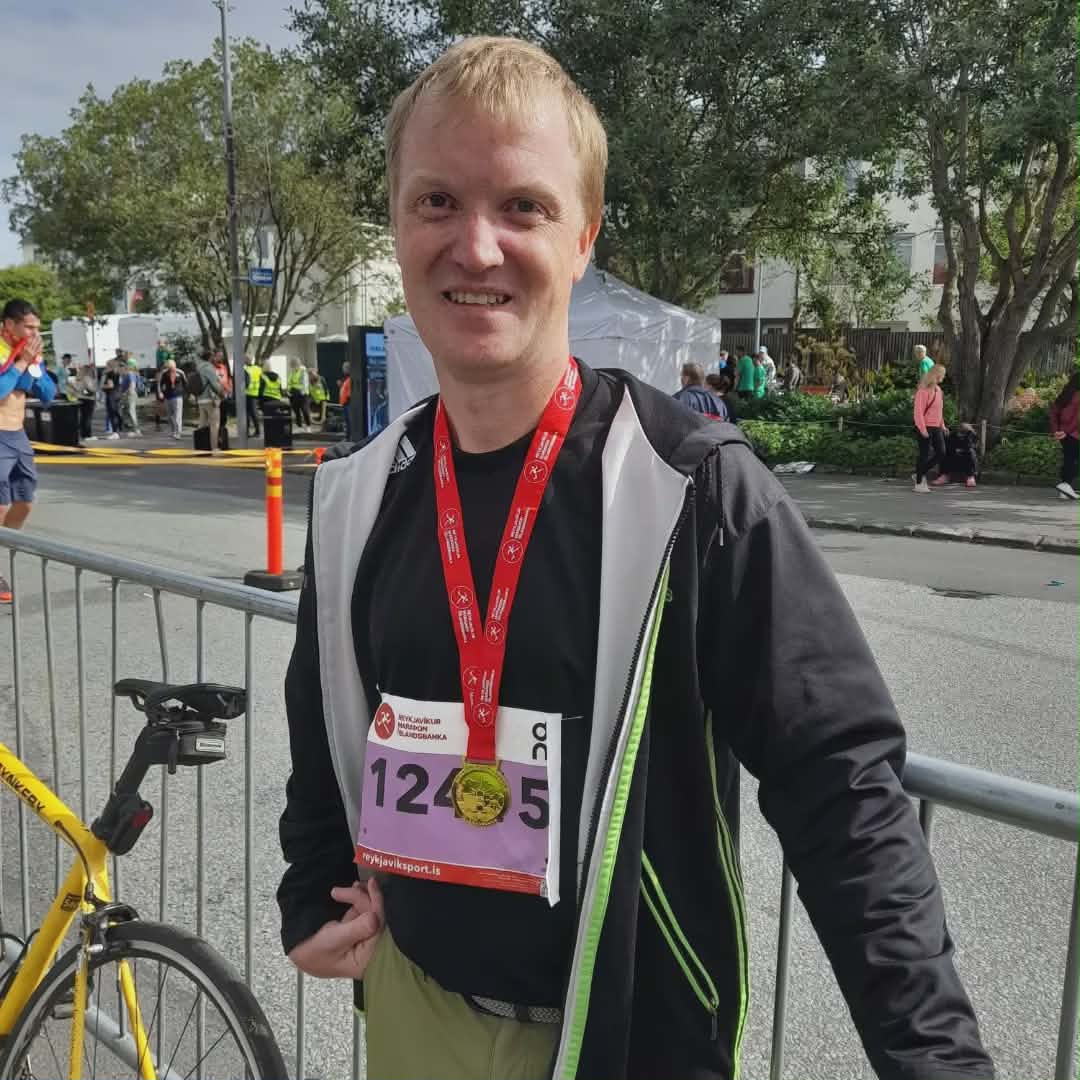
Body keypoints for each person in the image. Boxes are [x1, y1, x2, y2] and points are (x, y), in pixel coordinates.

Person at [276, 36, 992, 1080]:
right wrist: (310, 887)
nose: (476, 246)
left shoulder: (692, 488)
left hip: (629, 1037)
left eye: (523, 206)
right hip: (413, 1010)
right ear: (396, 220)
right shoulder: (357, 494)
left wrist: (937, 1063)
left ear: (583, 237)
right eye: (437, 201)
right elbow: (323, 712)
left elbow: (842, 788)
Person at [0, 299, 56, 603]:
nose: (36, 333)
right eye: (29, 327)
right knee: (0, 505)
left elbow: (48, 394)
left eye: (37, 327)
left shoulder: (31, 353)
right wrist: (20, 363)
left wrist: (35, 367)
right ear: (9, 325)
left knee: (24, 502)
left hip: (18, 436)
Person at [914, 363, 948, 492]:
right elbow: (918, 413)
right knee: (924, 455)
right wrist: (923, 430)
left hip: (936, 427)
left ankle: (919, 473)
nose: (944, 377)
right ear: (937, 375)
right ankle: (919, 484)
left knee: (941, 453)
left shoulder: (939, 390)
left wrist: (942, 425)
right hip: (925, 427)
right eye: (943, 374)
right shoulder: (922, 391)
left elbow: (939, 410)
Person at [1050, 370, 1080, 500]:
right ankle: (1066, 484)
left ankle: (1065, 489)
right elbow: (1077, 419)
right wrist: (1068, 432)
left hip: (1063, 434)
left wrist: (1057, 430)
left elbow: (1054, 412)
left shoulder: (1066, 394)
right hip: (1075, 434)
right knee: (1073, 461)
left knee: (1069, 459)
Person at [188, 353, 225, 452]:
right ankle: (214, 448)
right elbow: (215, 385)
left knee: (202, 424)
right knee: (214, 424)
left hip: (200, 399)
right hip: (210, 399)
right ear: (210, 358)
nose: (215, 358)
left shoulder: (199, 368)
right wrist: (223, 393)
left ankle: (201, 446)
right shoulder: (209, 368)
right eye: (213, 357)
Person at [942, 423, 979, 488]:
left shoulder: (972, 435)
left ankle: (970, 477)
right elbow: (949, 445)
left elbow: (972, 446)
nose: (960, 435)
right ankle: (945, 476)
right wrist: (955, 449)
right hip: (954, 454)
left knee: (971, 453)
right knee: (945, 453)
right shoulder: (953, 435)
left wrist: (963, 449)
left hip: (966, 455)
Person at [157, 358, 187, 439]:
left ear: (174, 366)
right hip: (168, 396)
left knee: (177, 416)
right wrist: (160, 392)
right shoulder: (165, 373)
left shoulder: (180, 372)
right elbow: (160, 384)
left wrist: (185, 393)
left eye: (171, 367)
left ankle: (178, 433)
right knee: (169, 416)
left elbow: (185, 383)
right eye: (169, 367)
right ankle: (173, 431)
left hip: (177, 396)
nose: (170, 368)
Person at [73, 363, 98, 441]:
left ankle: (82, 434)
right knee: (87, 418)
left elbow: (76, 389)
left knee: (83, 417)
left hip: (80, 398)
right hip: (88, 399)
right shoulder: (87, 378)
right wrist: (94, 388)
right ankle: (88, 435)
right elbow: (91, 389)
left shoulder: (78, 378)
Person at [100, 359, 123, 439]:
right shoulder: (118, 373)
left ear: (110, 365)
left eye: (107, 365)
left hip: (111, 395)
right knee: (116, 413)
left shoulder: (110, 374)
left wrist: (102, 386)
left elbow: (110, 385)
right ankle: (118, 429)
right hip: (117, 394)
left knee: (112, 414)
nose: (106, 366)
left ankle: (115, 432)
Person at [119, 358, 143, 437]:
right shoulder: (130, 373)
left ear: (130, 365)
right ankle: (130, 427)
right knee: (124, 410)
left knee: (131, 411)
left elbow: (132, 385)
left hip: (130, 394)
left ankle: (136, 430)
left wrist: (125, 393)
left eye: (127, 364)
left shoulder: (130, 374)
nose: (125, 366)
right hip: (129, 394)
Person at [288, 357, 312, 431]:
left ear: (298, 364)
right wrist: (289, 391)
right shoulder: (292, 372)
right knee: (296, 411)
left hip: (303, 394)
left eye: (293, 366)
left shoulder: (303, 371)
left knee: (305, 410)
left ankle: (308, 426)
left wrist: (301, 392)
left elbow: (305, 384)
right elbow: (289, 382)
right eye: (291, 366)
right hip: (294, 394)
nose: (292, 368)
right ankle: (299, 427)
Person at [243, 356, 262, 436]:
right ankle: (257, 431)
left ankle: (247, 432)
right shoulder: (258, 369)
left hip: (247, 393)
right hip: (255, 393)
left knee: (247, 414)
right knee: (254, 413)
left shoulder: (245, 369)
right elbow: (261, 380)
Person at [338, 361, 353, 439]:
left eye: (344, 368)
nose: (343, 370)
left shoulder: (350, 378)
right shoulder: (346, 379)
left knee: (349, 421)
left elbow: (349, 391)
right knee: (347, 421)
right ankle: (348, 436)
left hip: (348, 402)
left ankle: (349, 436)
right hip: (345, 402)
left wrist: (347, 399)